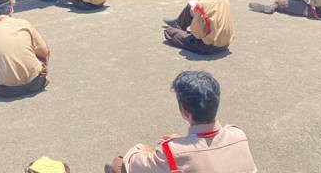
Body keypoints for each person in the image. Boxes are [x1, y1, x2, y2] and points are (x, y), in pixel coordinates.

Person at [106, 70, 256, 173]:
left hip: (205, 43)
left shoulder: (171, 151)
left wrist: (141, 148)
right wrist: (184, 140)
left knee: (118, 164)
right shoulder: (238, 134)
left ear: (184, 111)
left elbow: (132, 164)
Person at [162, 0, 234, 55]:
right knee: (191, 5)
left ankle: (177, 27)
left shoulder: (202, 4)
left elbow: (197, 34)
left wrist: (195, 15)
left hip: (209, 47)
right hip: (225, 44)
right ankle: (178, 25)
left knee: (169, 31)